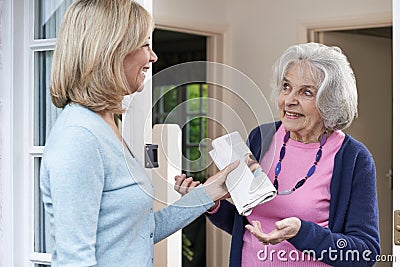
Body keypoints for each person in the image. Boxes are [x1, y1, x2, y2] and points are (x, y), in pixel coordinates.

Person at [40, 1, 238, 266]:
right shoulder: (80, 136)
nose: (153, 57)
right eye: (145, 44)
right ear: (112, 50)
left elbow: (139, 233)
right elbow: (74, 259)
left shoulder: (106, 125)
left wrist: (211, 192)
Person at [176, 43, 380, 266]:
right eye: (286, 87)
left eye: (306, 92)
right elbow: (244, 223)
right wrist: (209, 202)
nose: (289, 100)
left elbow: (364, 253)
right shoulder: (261, 138)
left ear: (330, 100)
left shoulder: (353, 158)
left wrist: (302, 232)